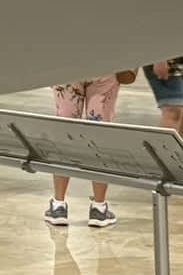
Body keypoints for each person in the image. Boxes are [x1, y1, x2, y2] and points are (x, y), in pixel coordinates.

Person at [45, 74, 126, 229]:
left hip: (69, 64)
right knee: (100, 134)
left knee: (65, 132)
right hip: (105, 65)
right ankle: (98, 207)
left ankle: (58, 205)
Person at [145, 52, 183, 138]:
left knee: (182, 114)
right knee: (173, 111)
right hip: (166, 56)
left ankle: (177, 150)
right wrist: (159, 58)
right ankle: (164, 150)